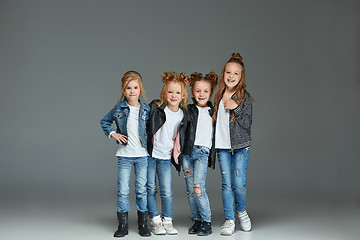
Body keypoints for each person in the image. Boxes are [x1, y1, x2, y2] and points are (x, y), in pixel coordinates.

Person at [100, 71, 151, 237]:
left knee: (141, 190)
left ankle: (143, 224)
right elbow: (104, 122)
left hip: (142, 155)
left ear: (140, 89)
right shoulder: (118, 108)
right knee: (123, 190)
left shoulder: (146, 109)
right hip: (124, 156)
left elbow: (152, 129)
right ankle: (122, 225)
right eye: (128, 88)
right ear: (123, 89)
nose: (132, 91)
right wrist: (113, 134)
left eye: (135, 87)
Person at [213, 53, 253, 235]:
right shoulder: (219, 95)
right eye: (228, 72)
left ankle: (241, 212)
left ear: (241, 77)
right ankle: (229, 219)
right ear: (223, 74)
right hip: (222, 147)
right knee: (226, 184)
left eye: (236, 73)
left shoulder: (244, 97)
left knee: (238, 183)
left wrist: (235, 107)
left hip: (239, 147)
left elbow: (247, 123)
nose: (231, 76)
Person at [146, 72, 190, 235]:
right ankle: (155, 220)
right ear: (165, 92)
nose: (173, 95)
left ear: (183, 95)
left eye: (177, 92)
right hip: (150, 155)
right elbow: (143, 122)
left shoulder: (183, 115)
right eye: (170, 92)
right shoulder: (156, 107)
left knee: (167, 191)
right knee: (150, 188)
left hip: (165, 158)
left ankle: (168, 220)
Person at [182, 72, 218, 236]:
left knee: (198, 188)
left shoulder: (214, 111)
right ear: (192, 93)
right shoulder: (188, 110)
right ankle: (196, 220)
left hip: (202, 153)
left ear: (210, 93)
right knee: (190, 189)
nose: (201, 94)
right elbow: (171, 107)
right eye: (198, 91)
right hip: (187, 153)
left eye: (205, 91)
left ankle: (206, 222)